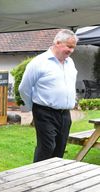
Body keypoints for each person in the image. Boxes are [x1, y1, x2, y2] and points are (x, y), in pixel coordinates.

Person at [18, 29, 78, 162]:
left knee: (60, 148)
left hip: (65, 114)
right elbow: (24, 88)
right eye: (69, 46)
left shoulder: (70, 63)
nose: (71, 50)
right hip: (45, 112)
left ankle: (53, 179)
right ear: (57, 42)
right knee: (47, 147)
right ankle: (37, 177)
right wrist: (31, 106)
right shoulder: (39, 62)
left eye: (73, 47)